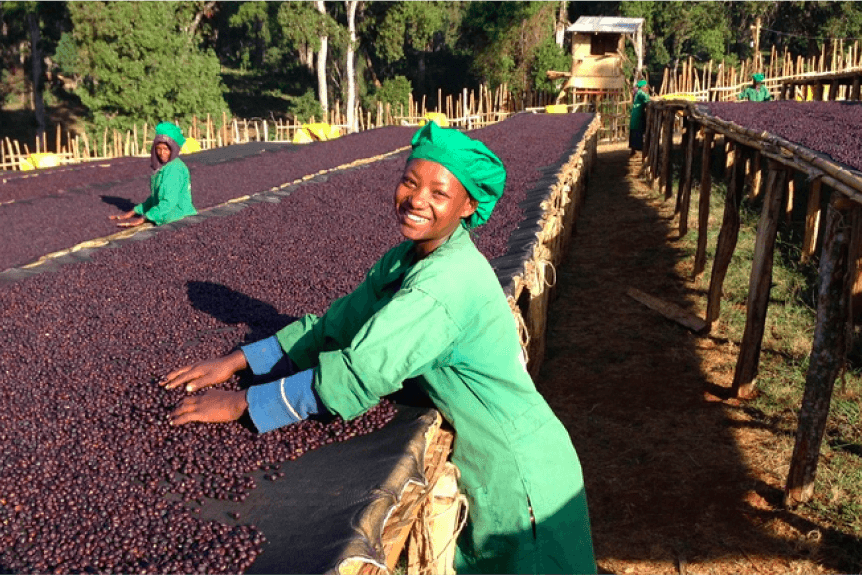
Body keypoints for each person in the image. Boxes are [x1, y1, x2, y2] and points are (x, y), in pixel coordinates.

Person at [161, 121, 597, 574]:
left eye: (439, 193)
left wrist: (243, 404)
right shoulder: (405, 259)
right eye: (410, 181)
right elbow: (336, 325)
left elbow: (360, 372)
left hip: (519, 477)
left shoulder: (443, 287)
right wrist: (239, 360)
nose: (417, 199)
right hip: (498, 455)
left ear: (469, 205)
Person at [110, 122, 197, 228]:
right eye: (158, 149)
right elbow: (156, 197)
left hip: (180, 220)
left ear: (173, 149)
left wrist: (144, 217)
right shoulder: (163, 167)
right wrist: (133, 212)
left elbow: (168, 202)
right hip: (169, 218)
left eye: (166, 149)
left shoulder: (174, 169)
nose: (162, 153)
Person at [629, 79, 650, 157]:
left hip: (636, 114)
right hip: (638, 115)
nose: (646, 88)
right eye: (645, 86)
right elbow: (648, 99)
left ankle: (633, 150)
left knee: (634, 131)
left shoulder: (638, 92)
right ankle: (637, 150)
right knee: (637, 132)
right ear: (643, 87)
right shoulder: (641, 93)